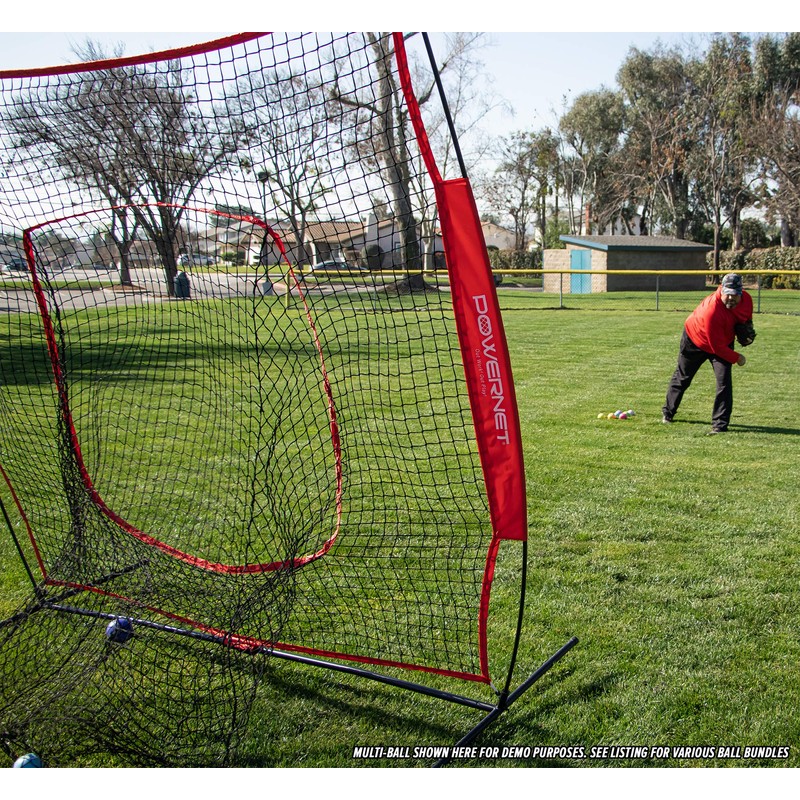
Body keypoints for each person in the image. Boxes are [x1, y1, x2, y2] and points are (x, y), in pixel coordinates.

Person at [662, 272, 755, 434]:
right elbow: (716, 347)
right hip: (695, 339)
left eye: (735, 294)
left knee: (724, 382)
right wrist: (737, 357)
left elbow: (746, 319)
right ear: (722, 290)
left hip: (723, 340)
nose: (731, 298)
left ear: (741, 293)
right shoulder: (711, 310)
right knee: (683, 377)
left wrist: (746, 332)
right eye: (728, 294)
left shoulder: (747, 300)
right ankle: (668, 413)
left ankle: (720, 425)